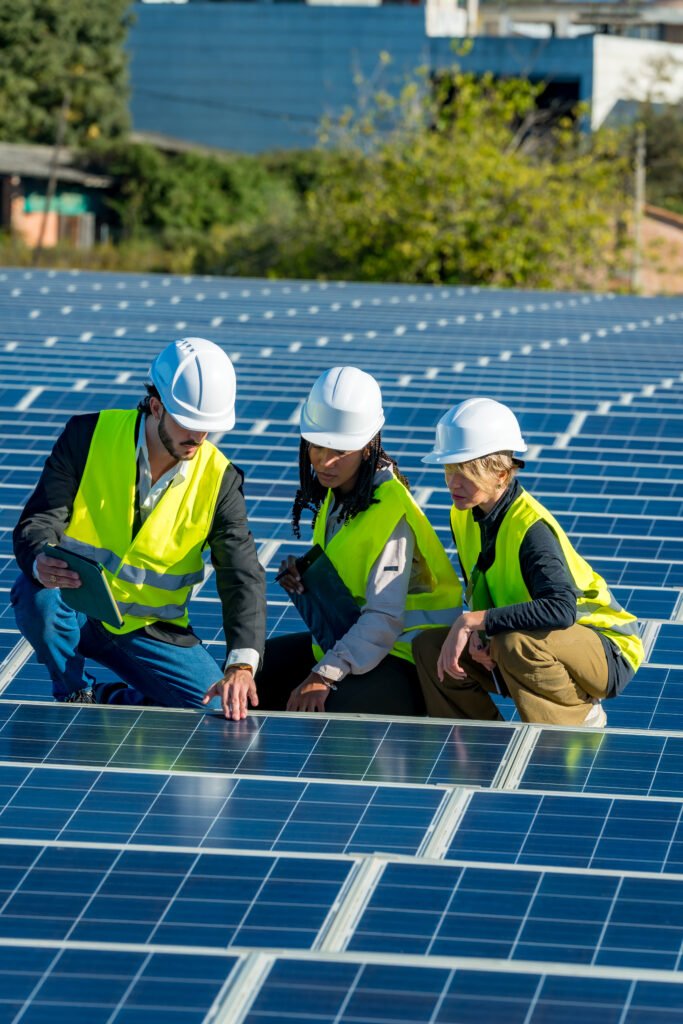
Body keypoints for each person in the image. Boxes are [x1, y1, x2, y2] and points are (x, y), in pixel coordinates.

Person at [12, 337, 266, 721]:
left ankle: (118, 698)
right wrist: (40, 560)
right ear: (156, 405)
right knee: (37, 599)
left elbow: (241, 574)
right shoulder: (87, 436)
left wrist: (242, 664)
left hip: (152, 632)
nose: (199, 437)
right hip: (78, 607)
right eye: (189, 422)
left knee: (215, 710)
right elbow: (38, 521)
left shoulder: (221, 480)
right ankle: (75, 692)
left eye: (207, 427)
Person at [412, 397, 644, 727]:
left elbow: (561, 610)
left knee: (512, 642)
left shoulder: (531, 529)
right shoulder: (462, 515)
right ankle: (484, 754)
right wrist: (480, 635)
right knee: (430, 646)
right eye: (449, 470)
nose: (452, 483)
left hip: (605, 650)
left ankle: (575, 725)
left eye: (465, 471)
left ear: (501, 473)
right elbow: (482, 588)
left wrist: (474, 622)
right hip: (533, 637)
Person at [256, 366, 462, 715]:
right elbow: (352, 563)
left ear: (368, 448)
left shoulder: (389, 509)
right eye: (317, 447)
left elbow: (384, 617)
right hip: (352, 643)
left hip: (404, 658)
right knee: (254, 680)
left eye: (340, 451)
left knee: (327, 713)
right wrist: (308, 575)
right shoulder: (341, 493)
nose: (325, 462)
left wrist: (324, 675)